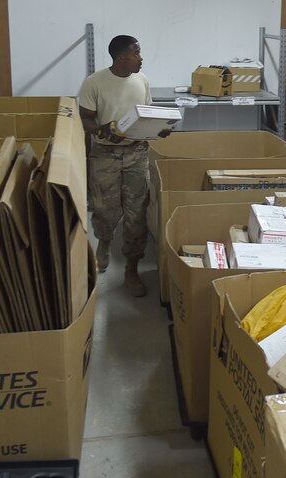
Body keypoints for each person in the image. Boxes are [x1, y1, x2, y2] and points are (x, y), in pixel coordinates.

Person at [79, 35, 169, 297]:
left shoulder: (142, 80)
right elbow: (85, 120)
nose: (141, 57)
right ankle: (104, 244)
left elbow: (147, 113)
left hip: (136, 154)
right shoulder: (94, 83)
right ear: (121, 57)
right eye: (136, 52)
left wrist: (158, 129)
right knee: (104, 208)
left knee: (136, 214)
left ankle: (131, 269)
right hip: (105, 155)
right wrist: (103, 130)